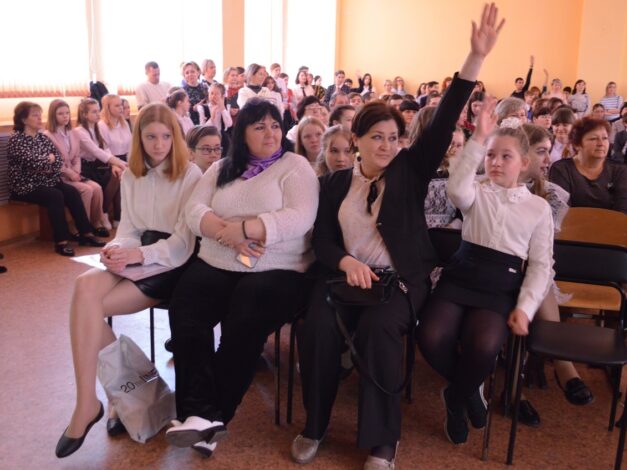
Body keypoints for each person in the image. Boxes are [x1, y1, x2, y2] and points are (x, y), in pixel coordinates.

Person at [291, 5, 503, 468]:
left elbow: (444, 119)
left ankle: (383, 442)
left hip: (400, 283)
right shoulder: (336, 182)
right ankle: (316, 423)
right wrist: (346, 262)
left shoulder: (410, 170)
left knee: (378, 330)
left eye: (393, 137)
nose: (387, 145)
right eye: (377, 137)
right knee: (318, 328)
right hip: (344, 278)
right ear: (357, 139)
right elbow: (323, 239)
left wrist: (475, 58)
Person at [165, 98, 318, 456]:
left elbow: (301, 216)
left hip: (278, 266)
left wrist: (248, 228)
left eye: (275, 125)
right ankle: (200, 416)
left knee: (245, 318)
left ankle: (209, 415)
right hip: (219, 258)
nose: (270, 133)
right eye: (259, 126)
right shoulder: (222, 167)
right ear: (242, 133)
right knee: (186, 308)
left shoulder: (294, 166)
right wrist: (226, 233)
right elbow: (194, 209)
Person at [54, 102, 202, 458]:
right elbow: (130, 229)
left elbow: (183, 243)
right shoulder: (133, 174)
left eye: (165, 136)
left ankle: (104, 403)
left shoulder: (191, 174)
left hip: (173, 263)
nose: (159, 144)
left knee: (87, 311)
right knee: (83, 287)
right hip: (139, 255)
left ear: (176, 137)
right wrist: (116, 249)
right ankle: (89, 401)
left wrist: (140, 255)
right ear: (139, 139)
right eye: (150, 137)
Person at [417, 95, 554, 446]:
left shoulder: (538, 208)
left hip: (500, 284)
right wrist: (478, 139)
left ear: (524, 163)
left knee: (485, 345)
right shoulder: (475, 192)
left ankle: (455, 396)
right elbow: (455, 188)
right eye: (491, 155)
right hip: (462, 273)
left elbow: (541, 265)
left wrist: (525, 308)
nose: (496, 162)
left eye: (506, 157)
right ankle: (468, 389)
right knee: (430, 336)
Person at [8, 101, 105, 256]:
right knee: (56, 195)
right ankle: (61, 242)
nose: (40, 118)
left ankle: (86, 234)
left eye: (40, 115)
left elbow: (58, 160)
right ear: (24, 119)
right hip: (26, 185)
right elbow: (31, 163)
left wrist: (48, 162)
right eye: (35, 115)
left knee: (72, 192)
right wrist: (48, 159)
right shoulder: (17, 139)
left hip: (47, 181)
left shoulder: (41, 138)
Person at [44, 99, 109, 236]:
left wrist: (76, 171)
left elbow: (77, 155)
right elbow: (53, 162)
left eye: (67, 113)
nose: (65, 116)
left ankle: (95, 222)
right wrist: (69, 173)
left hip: (75, 173)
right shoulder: (47, 135)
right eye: (60, 113)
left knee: (97, 188)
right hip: (59, 176)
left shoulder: (73, 132)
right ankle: (80, 226)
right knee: (86, 190)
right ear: (53, 116)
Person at [550, 117, 627, 213]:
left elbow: (622, 211)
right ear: (577, 144)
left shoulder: (619, 170)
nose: (601, 143)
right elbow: (561, 211)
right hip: (572, 222)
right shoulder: (561, 169)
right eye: (593, 139)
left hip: (614, 222)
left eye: (605, 138)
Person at [74, 98, 127, 228]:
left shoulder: (96, 127)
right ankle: (102, 214)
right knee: (117, 172)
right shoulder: (79, 131)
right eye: (94, 112)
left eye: (98, 111)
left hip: (97, 165)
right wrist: (121, 163)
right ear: (84, 115)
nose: (98, 114)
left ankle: (106, 213)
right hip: (84, 168)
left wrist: (116, 165)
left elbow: (105, 148)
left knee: (117, 174)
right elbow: (96, 151)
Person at [99, 94, 132, 163]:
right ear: (108, 108)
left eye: (121, 105)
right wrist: (117, 163)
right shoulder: (102, 125)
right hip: (110, 161)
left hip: (127, 159)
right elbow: (104, 150)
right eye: (117, 106)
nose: (121, 108)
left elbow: (130, 145)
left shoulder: (124, 123)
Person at [181, 61, 209, 126]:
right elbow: (181, 110)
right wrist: (193, 108)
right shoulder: (182, 91)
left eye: (192, 71)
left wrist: (205, 106)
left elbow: (210, 103)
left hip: (206, 121)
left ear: (198, 72)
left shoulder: (205, 87)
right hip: (191, 123)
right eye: (187, 73)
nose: (190, 74)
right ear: (184, 75)